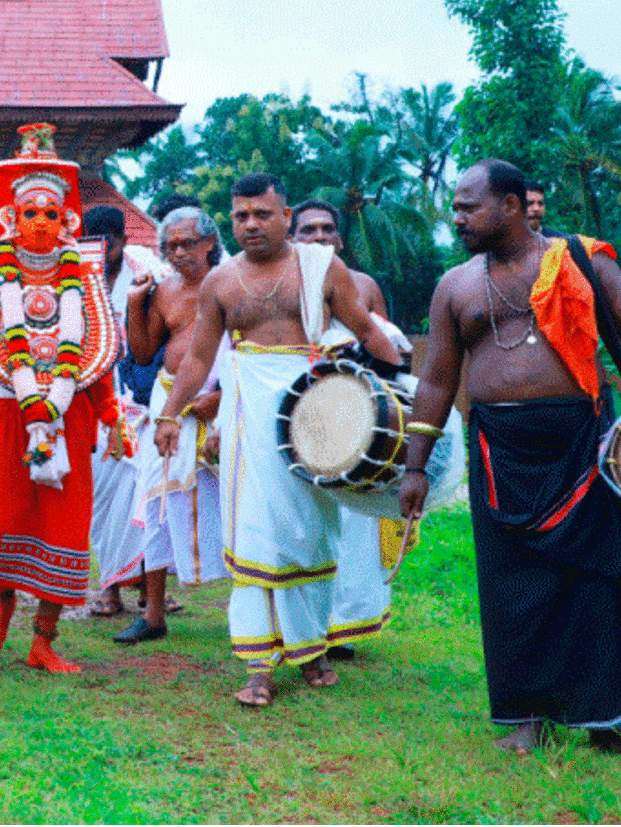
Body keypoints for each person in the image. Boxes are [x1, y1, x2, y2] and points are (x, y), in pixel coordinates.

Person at [399, 159, 621, 761]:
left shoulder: (581, 260)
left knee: (599, 581)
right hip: (498, 450)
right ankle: (527, 716)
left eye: (470, 206)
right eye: (457, 207)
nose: (458, 217)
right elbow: (437, 380)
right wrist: (416, 466)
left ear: (513, 205)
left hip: (581, 443)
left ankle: (610, 721)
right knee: (511, 587)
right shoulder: (455, 286)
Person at [152, 173, 402, 706]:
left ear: (285, 216)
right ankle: (259, 664)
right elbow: (199, 358)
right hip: (248, 420)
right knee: (254, 533)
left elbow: (366, 330)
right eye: (240, 216)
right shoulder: (221, 281)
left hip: (313, 414)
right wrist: (170, 415)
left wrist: (408, 391)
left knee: (308, 532)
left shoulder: (320, 267)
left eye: (262, 214)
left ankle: (310, 650)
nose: (251, 225)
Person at [0, 123, 133, 674]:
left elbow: (98, 359)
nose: (40, 222)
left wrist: (113, 420)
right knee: (6, 512)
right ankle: (5, 607)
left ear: (67, 222)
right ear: (11, 218)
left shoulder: (85, 283)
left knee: (66, 521)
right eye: (29, 213)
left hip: (72, 417)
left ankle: (44, 639)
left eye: (50, 214)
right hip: (10, 417)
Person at [290, 199, 413, 660]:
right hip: (301, 418)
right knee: (305, 518)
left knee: (355, 523)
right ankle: (303, 621)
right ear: (294, 238)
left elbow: (390, 348)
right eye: (308, 231)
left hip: (358, 418)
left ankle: (344, 626)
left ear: (339, 239)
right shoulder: (281, 282)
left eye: (327, 230)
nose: (319, 238)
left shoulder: (362, 285)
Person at [117, 206, 227, 644]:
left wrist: (222, 399)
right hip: (170, 403)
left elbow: (244, 346)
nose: (179, 252)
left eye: (188, 243)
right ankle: (154, 613)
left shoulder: (234, 283)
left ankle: (251, 607)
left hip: (225, 402)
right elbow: (143, 354)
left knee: (235, 501)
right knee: (157, 503)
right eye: (171, 245)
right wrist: (134, 302)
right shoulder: (164, 290)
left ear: (209, 244)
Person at [81, 204, 161, 617]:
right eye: (94, 239)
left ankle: (151, 592)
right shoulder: (72, 280)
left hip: (139, 401)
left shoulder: (147, 274)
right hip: (91, 404)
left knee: (143, 497)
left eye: (110, 237)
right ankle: (110, 589)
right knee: (105, 500)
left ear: (124, 240)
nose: (103, 246)